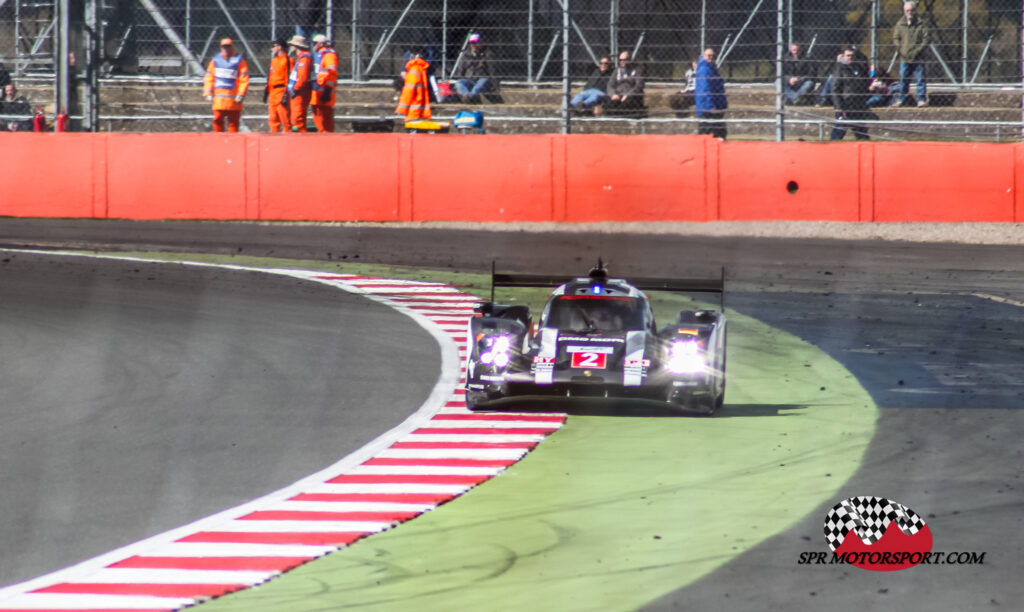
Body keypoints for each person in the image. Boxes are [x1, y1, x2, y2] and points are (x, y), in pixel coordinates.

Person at [202, 38, 250, 132]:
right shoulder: (215, 60)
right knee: (217, 120)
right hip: (219, 100)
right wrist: (207, 93)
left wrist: (241, 94)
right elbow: (209, 77)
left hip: (234, 101)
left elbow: (243, 79)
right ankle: (219, 141)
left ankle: (232, 142)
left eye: (228, 46)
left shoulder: (239, 60)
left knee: (233, 123)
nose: (226, 49)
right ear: (221, 48)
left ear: (232, 47)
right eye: (224, 47)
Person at [892, 1, 930, 107]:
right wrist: (900, 49)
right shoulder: (900, 24)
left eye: (912, 10)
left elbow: (926, 39)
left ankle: (921, 99)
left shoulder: (921, 24)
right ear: (904, 11)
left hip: (918, 57)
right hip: (904, 57)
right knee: (903, 78)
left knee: (920, 79)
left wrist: (918, 50)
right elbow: (896, 38)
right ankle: (902, 99)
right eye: (907, 10)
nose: (910, 12)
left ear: (915, 10)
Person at [830, 46, 871, 141]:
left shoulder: (859, 68)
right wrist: (839, 107)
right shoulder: (839, 68)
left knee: (861, 132)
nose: (850, 58)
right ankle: (832, 148)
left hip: (857, 105)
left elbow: (865, 83)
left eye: (852, 56)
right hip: (845, 104)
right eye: (848, 56)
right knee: (839, 131)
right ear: (843, 56)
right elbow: (835, 89)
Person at [452, 33, 500, 104]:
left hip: (482, 78)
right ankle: (467, 95)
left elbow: (492, 70)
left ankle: (471, 96)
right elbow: (460, 69)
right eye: (472, 43)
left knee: (482, 82)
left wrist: (495, 85)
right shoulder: (466, 54)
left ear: (481, 42)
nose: (474, 45)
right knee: (459, 83)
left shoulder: (487, 54)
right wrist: (460, 79)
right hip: (469, 79)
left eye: (476, 42)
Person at [695, 47, 727, 139]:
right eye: (709, 56)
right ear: (703, 56)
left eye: (713, 56)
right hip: (708, 108)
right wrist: (710, 106)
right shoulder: (704, 70)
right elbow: (704, 89)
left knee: (717, 132)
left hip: (714, 106)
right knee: (709, 132)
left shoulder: (712, 69)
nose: (711, 58)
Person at [310, 33, 338, 132]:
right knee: (317, 114)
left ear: (321, 44)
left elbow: (332, 73)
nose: (313, 45)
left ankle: (326, 135)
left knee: (326, 116)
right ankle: (322, 133)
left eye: (315, 43)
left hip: (324, 90)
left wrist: (328, 89)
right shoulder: (318, 55)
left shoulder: (329, 54)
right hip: (317, 90)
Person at [395, 48, 432, 121]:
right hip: (418, 109)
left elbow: (408, 92)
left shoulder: (414, 69)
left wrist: (401, 109)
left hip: (413, 112)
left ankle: (413, 117)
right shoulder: (421, 68)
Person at [286, 34, 313, 132]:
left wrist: (296, 89)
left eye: (292, 44)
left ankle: (302, 140)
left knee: (298, 120)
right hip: (298, 92)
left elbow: (302, 77)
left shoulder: (304, 58)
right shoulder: (300, 57)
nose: (290, 47)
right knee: (296, 119)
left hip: (300, 93)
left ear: (296, 46)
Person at [265, 39, 293, 132]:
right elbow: (271, 76)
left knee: (285, 119)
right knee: (273, 119)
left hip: (281, 92)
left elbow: (290, 78)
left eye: (274, 46)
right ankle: (273, 138)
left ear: (280, 47)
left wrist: (286, 93)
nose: (272, 48)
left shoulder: (288, 60)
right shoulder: (274, 60)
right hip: (273, 93)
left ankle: (287, 139)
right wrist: (267, 91)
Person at [606, 50, 644, 116]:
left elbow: (639, 85)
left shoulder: (637, 70)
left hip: (630, 94)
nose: (622, 62)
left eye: (624, 60)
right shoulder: (617, 70)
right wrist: (613, 94)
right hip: (618, 93)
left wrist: (628, 95)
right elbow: (610, 84)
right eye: (620, 60)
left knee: (626, 104)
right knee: (610, 104)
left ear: (630, 59)